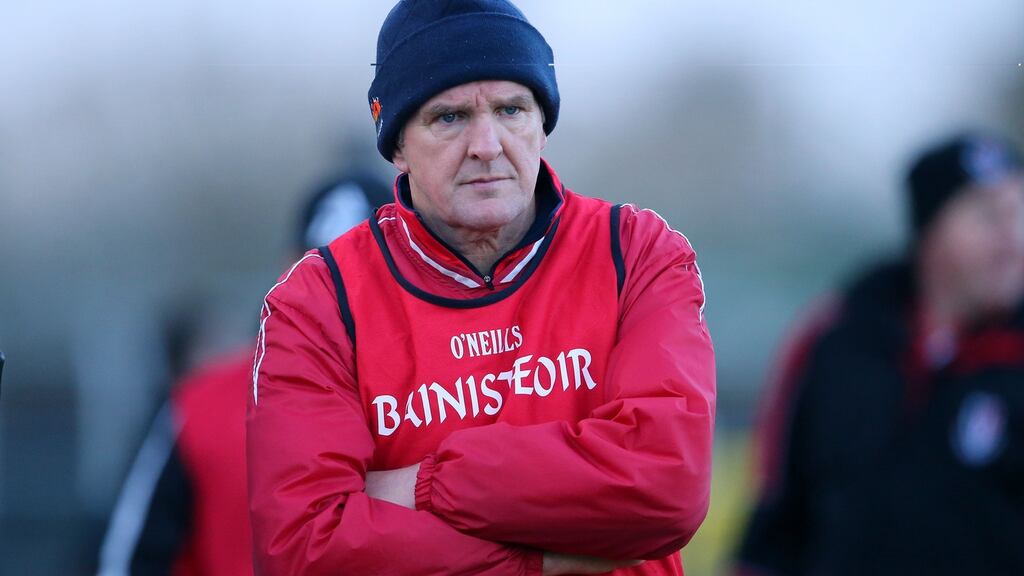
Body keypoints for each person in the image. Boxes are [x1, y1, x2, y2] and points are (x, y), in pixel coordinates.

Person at [246, 1, 717, 575]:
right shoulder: (315, 303)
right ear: (396, 145)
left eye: (511, 109)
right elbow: (303, 550)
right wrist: (541, 559)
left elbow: (665, 487)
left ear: (542, 124)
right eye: (449, 118)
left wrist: (424, 484)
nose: (487, 145)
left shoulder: (638, 251)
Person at [734, 133, 1024, 576]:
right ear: (930, 231)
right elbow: (779, 514)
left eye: (1018, 214)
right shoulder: (835, 341)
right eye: (987, 216)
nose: (1011, 239)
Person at [97, 172, 390, 576]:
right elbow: (131, 562)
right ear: (286, 269)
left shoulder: (454, 390)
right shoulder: (197, 407)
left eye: (365, 269)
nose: (343, 291)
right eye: (324, 268)